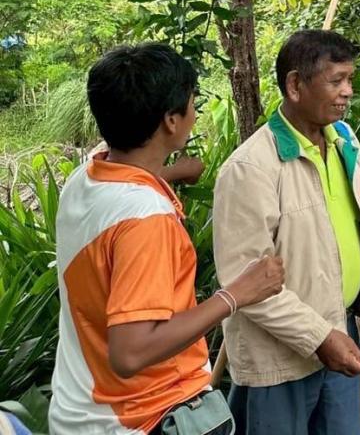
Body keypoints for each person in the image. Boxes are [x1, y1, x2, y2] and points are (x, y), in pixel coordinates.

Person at [50, 44, 284, 435]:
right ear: (171, 120)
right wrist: (236, 294)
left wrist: (172, 173)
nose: (195, 113)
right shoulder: (146, 221)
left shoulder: (87, 176)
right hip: (143, 419)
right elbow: (131, 352)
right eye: (192, 103)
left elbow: (123, 190)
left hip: (81, 409)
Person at [214, 30, 360, 435]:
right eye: (336, 81)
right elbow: (244, 283)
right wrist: (318, 337)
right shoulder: (251, 169)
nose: (348, 92)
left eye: (350, 80)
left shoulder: (345, 141)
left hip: (339, 336)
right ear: (295, 85)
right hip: (280, 361)